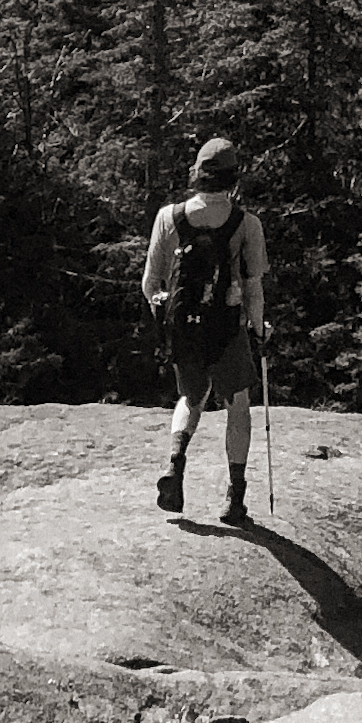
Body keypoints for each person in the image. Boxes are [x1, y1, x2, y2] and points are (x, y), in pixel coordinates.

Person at [142, 136, 268, 524]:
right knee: (238, 405)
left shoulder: (169, 217)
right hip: (225, 327)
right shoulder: (246, 224)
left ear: (197, 174)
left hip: (183, 327)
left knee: (190, 397)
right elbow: (253, 287)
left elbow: (150, 284)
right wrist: (259, 328)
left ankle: (175, 465)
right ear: (233, 178)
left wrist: (168, 313)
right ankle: (234, 498)